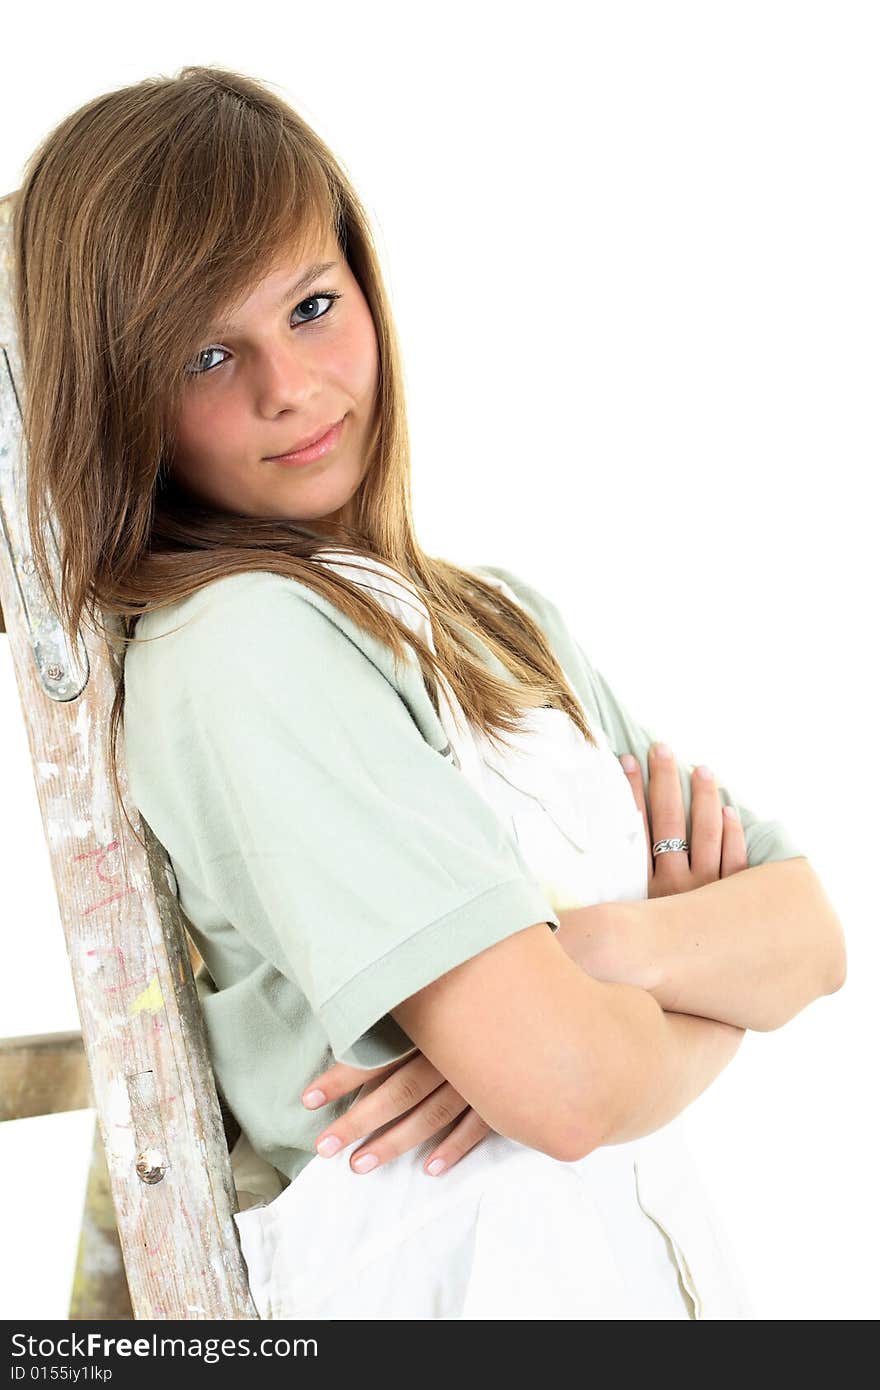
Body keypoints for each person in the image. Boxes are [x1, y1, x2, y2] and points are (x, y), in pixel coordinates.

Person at [12, 64, 846, 1320]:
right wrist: (668, 978)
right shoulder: (242, 649)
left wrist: (587, 957)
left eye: (309, 304)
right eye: (203, 351)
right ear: (119, 395)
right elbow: (566, 1089)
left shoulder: (498, 619)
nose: (285, 389)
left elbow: (810, 939)